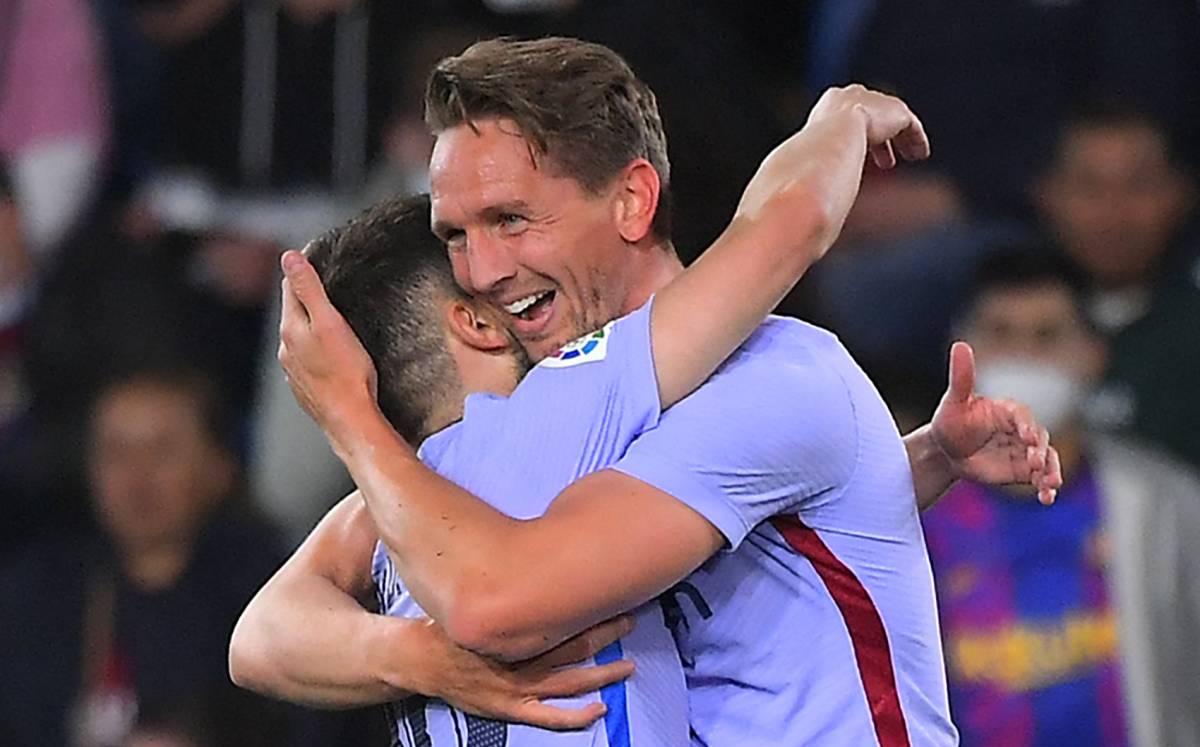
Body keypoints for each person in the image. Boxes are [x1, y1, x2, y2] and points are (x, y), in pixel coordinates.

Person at [236, 38, 1057, 744]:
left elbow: (496, 599)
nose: (482, 270)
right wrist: (418, 653)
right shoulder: (520, 432)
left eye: (512, 220)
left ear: (632, 200)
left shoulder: (771, 380)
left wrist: (837, 120)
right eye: (456, 234)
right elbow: (265, 632)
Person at [923, 250, 1200, 747]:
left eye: (1047, 336)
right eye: (1000, 334)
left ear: (1094, 354)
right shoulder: (917, 512)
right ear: (959, 353)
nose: (1023, 355)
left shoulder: (1167, 503)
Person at [1033, 104, 1200, 468]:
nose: (1113, 213)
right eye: (1089, 186)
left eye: (1138, 185)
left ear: (1182, 194)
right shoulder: (1004, 309)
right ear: (1048, 195)